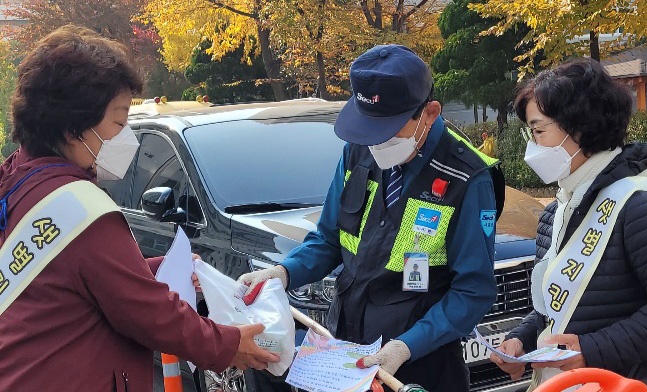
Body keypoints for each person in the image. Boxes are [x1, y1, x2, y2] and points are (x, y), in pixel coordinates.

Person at [0, 25, 278, 391]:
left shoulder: (17, 178)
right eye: (118, 120)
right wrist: (226, 344)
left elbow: (65, 278)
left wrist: (157, 268)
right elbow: (149, 314)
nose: (126, 134)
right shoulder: (78, 207)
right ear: (72, 128)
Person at [239, 44, 505, 391]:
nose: (376, 143)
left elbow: (474, 291)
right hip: (347, 349)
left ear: (429, 113)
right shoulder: (358, 150)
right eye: (368, 130)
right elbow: (328, 240)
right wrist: (285, 272)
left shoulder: (466, 177)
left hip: (420, 365)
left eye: (388, 131)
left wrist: (408, 345)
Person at [489, 58, 647, 388]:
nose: (532, 146)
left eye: (539, 131)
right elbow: (559, 306)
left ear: (579, 128)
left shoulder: (636, 204)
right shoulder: (555, 212)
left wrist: (592, 349)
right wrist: (522, 339)